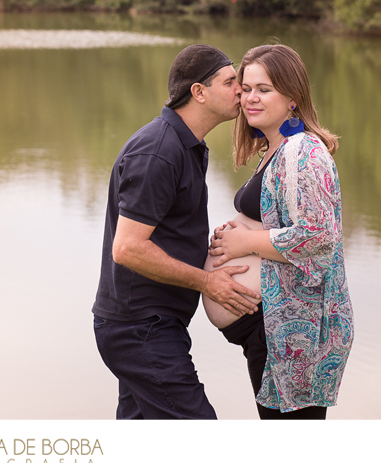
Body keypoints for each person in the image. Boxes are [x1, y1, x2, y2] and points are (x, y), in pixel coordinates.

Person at [92, 43, 261, 420]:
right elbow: (129, 249)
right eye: (231, 81)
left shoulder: (187, 146)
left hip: (152, 325)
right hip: (139, 328)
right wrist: (207, 281)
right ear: (199, 92)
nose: (242, 90)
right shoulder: (158, 152)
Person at [207, 44, 354, 419]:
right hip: (272, 330)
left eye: (264, 89)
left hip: (293, 336)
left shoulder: (305, 151)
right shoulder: (275, 149)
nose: (250, 98)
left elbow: (319, 236)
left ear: (292, 97)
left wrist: (245, 241)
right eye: (246, 88)